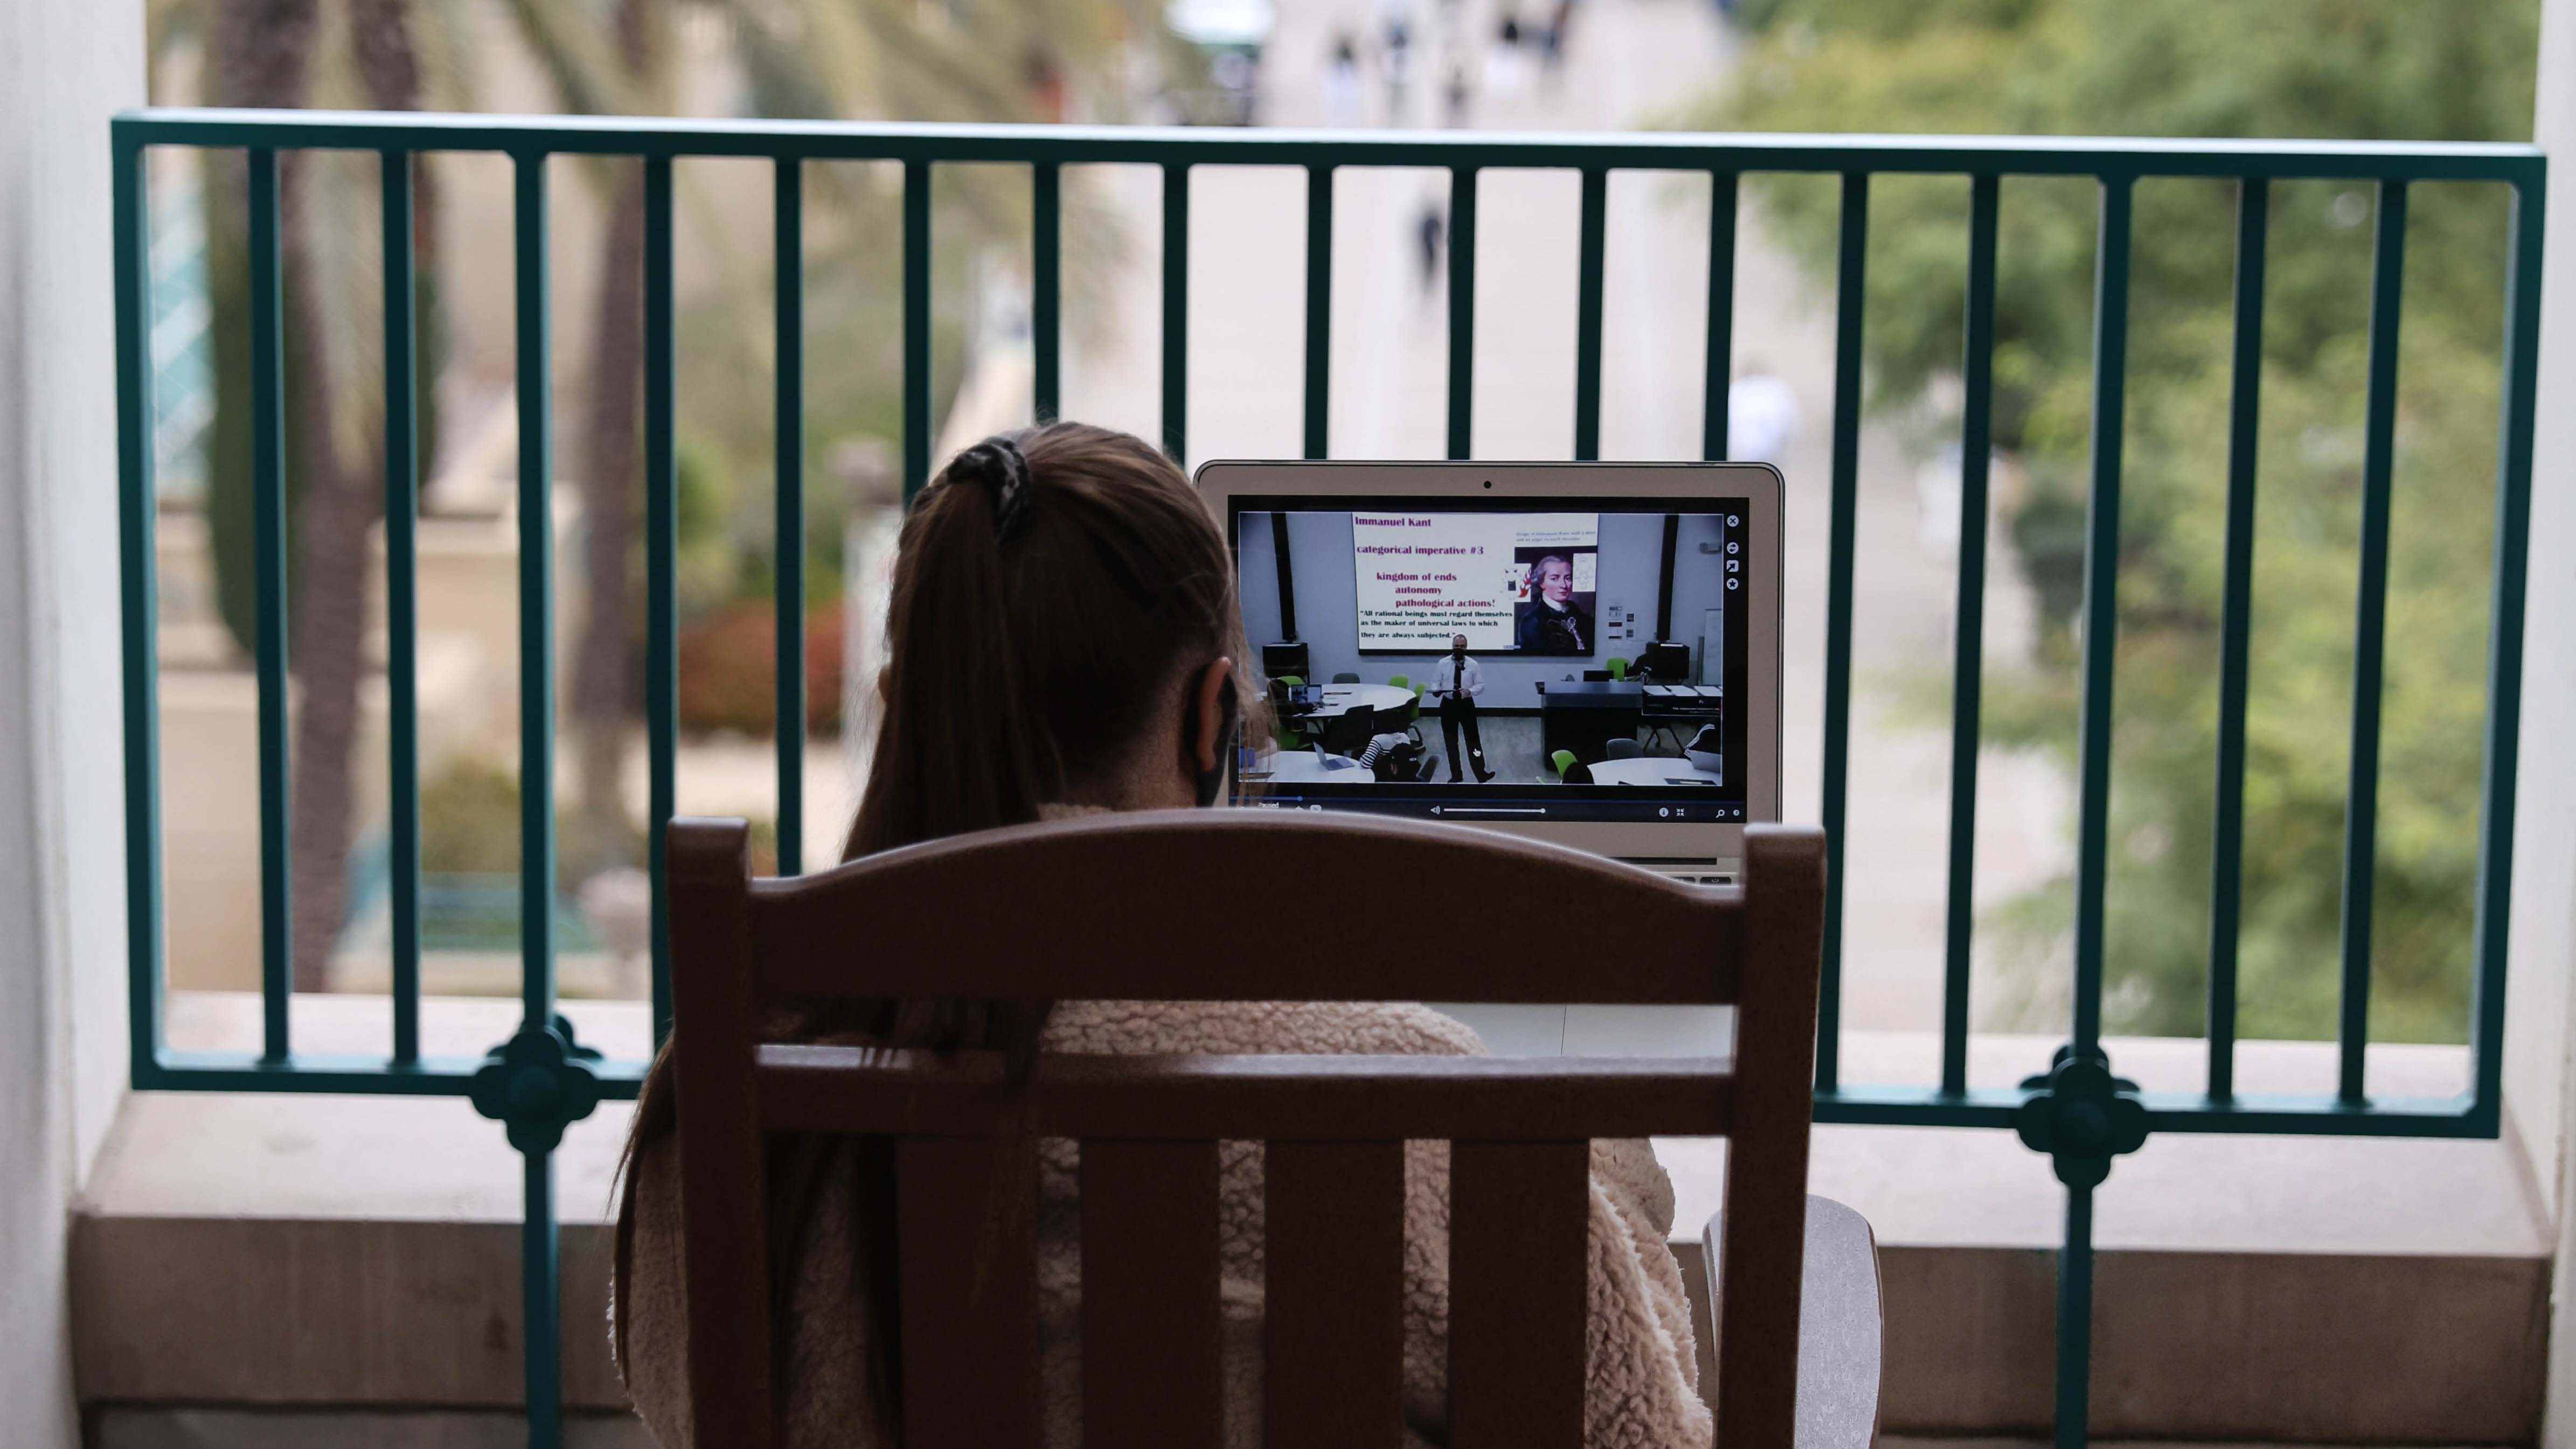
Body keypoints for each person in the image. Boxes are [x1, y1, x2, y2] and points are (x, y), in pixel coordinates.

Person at [611, 422, 1710, 1448]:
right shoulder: (1407, 1108)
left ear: (900, 700)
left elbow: (681, 1394)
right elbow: (1636, 1429)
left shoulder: (736, 1081)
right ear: (1207, 716)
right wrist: (1602, 1180)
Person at [1427, 634, 1497, 782]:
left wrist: (1470, 691)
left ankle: (1481, 773)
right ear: (1452, 646)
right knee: (1451, 743)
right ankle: (1457, 776)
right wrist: (1436, 690)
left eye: (1462, 646)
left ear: (1466, 647)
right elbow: (1435, 682)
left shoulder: (1473, 664)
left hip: (1466, 705)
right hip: (1448, 705)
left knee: (1473, 741)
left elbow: (1481, 685)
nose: (1459, 649)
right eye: (1456, 646)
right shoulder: (1443, 663)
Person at [1516, 553, 1593, 654]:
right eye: (1555, 579)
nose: (1564, 585)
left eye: (1568, 578)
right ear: (1541, 583)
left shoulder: (1582, 616)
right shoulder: (1532, 622)